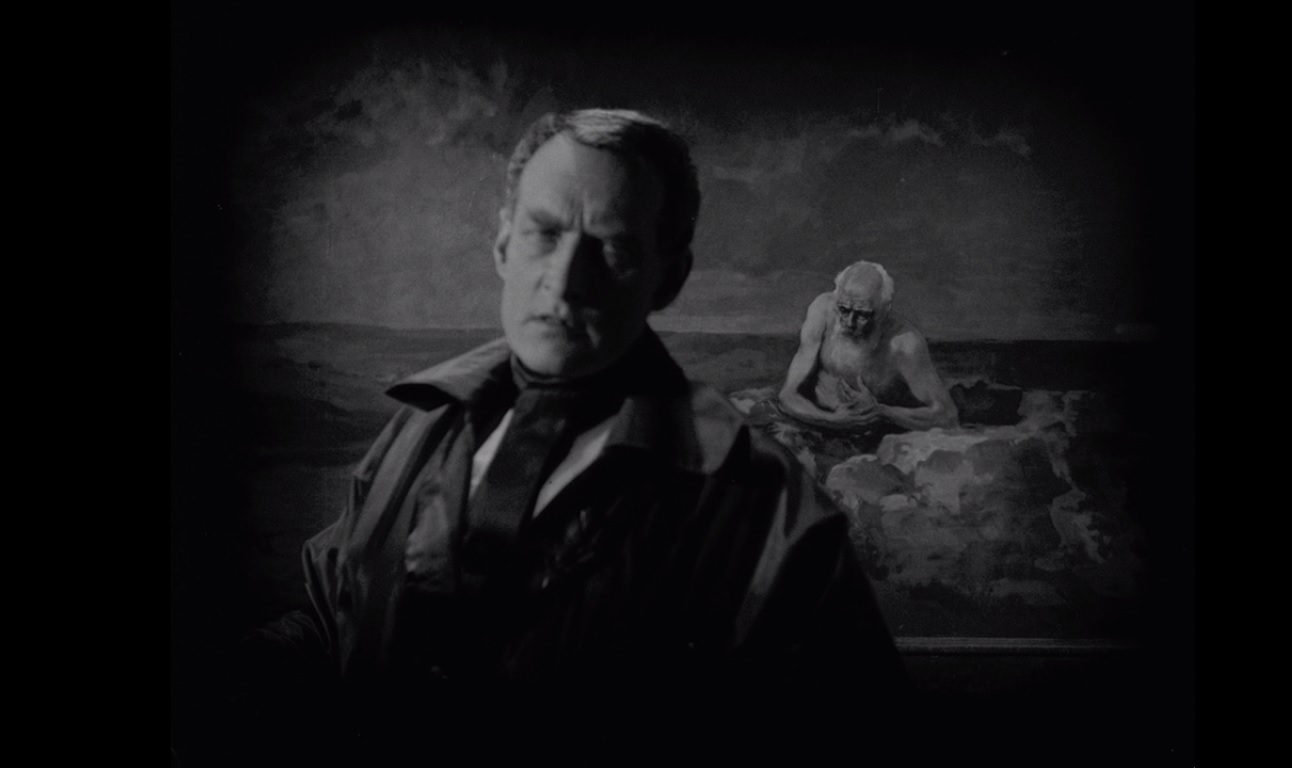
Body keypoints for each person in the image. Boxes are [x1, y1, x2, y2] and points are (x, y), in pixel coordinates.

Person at [227, 109, 906, 765]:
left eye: (612, 248)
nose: (566, 279)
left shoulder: (764, 504)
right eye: (544, 234)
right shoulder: (423, 426)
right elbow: (333, 621)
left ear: (668, 276)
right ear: (503, 245)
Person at [777, 261, 958, 432]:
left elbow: (947, 416)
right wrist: (834, 421)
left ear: (885, 309)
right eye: (843, 310)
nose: (849, 322)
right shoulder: (822, 312)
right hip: (816, 424)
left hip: (872, 433)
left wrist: (882, 411)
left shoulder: (904, 343)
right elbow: (787, 397)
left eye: (862, 314)